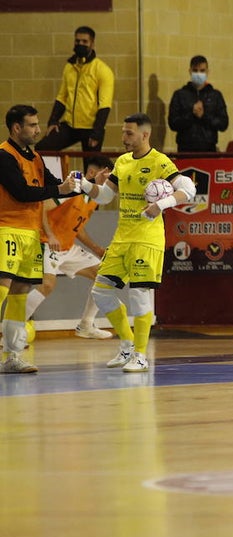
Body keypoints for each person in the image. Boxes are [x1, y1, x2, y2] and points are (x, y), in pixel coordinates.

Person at [79, 114, 197, 373]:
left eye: (129, 133)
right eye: (123, 132)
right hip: (122, 238)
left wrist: (160, 205)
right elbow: (106, 195)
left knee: (139, 295)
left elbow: (189, 190)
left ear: (145, 135)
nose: (124, 138)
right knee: (101, 291)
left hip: (147, 239)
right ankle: (128, 345)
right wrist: (84, 185)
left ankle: (141, 356)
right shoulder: (121, 162)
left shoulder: (159, 162)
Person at [0, 105, 82, 373]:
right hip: (7, 230)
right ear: (16, 128)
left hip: (31, 233)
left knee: (20, 293)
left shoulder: (35, 157)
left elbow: (56, 186)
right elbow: (22, 193)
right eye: (32, 125)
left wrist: (82, 183)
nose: (38, 130)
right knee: (2, 287)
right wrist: (59, 188)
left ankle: (12, 356)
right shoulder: (4, 156)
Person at [24, 154, 116, 342]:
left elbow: (77, 227)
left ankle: (86, 325)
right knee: (47, 285)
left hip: (68, 248)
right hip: (45, 243)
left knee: (105, 276)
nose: (109, 181)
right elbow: (40, 207)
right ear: (92, 173)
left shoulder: (94, 198)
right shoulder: (71, 189)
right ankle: (12, 329)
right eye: (106, 176)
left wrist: (96, 248)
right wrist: (50, 235)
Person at [39, 26, 114, 152]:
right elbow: (62, 97)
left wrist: (97, 132)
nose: (80, 44)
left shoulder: (103, 70)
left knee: (92, 167)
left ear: (92, 44)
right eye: (77, 41)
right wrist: (53, 121)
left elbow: (104, 105)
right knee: (42, 148)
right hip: (70, 125)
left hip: (91, 127)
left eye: (85, 42)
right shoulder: (69, 67)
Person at [168, 55, 229, 152]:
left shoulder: (215, 95)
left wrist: (204, 116)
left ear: (207, 72)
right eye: (195, 71)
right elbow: (173, 123)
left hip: (208, 148)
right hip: (185, 148)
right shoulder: (180, 95)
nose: (198, 74)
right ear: (190, 71)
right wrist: (191, 115)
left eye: (202, 71)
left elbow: (223, 124)